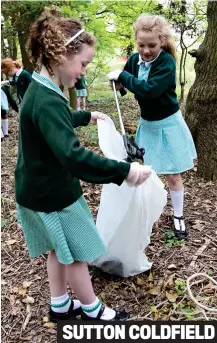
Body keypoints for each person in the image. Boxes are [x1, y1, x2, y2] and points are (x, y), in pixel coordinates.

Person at [15, 12, 151, 322]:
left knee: (55, 249)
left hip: (35, 191)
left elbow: (54, 122)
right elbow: (73, 156)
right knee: (75, 253)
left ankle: (60, 305)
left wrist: (84, 116)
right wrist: (124, 171)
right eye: (83, 64)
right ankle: (93, 311)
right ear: (61, 54)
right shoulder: (47, 100)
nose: (82, 72)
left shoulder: (42, 89)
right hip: (54, 195)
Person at [108, 14, 197, 240]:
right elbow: (125, 82)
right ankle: (148, 211)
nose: (146, 50)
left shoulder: (166, 62)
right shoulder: (135, 59)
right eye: (141, 45)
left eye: (152, 45)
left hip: (168, 125)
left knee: (173, 174)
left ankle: (178, 215)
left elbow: (148, 90)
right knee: (148, 173)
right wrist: (118, 83)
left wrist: (124, 77)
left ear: (162, 42)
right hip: (147, 125)